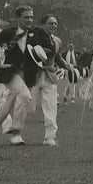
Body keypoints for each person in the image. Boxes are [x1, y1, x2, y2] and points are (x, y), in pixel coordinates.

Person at [0, 5, 56, 151]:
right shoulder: (9, 33)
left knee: (6, 107)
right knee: (26, 96)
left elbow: (50, 49)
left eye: (31, 17)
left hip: (29, 74)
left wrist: (39, 52)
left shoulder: (38, 32)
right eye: (26, 17)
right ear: (18, 18)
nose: (30, 20)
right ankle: (16, 128)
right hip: (11, 73)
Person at [30, 15, 76, 146]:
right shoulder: (35, 38)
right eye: (50, 23)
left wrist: (67, 66)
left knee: (51, 106)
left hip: (50, 76)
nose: (53, 26)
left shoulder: (57, 41)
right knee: (27, 104)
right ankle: (11, 126)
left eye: (55, 24)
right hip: (34, 75)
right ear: (43, 24)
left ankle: (50, 137)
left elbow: (57, 58)